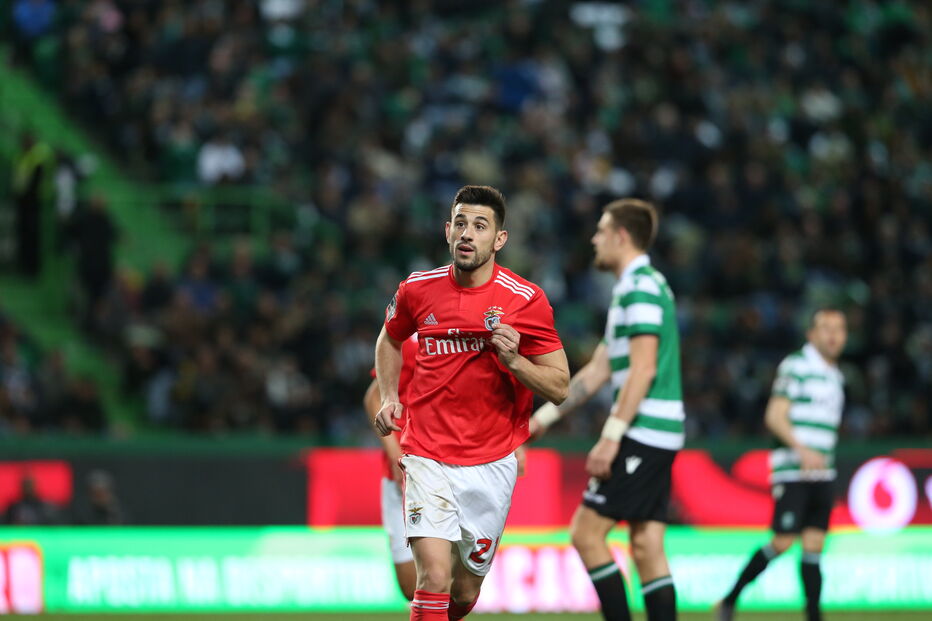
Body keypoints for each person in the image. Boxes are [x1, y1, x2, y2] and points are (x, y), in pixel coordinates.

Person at [373, 185, 569, 620]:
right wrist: (390, 396)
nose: (467, 233)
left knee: (463, 591)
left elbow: (559, 386)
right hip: (426, 454)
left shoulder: (525, 301)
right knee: (433, 580)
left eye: (480, 226)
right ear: (447, 231)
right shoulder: (417, 290)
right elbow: (389, 338)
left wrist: (515, 361)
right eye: (460, 223)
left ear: (499, 239)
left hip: (492, 461)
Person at [529, 198, 682, 621]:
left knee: (586, 533)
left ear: (621, 236)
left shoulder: (640, 288)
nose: (594, 239)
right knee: (647, 547)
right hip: (658, 431)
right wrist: (543, 418)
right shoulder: (637, 288)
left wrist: (611, 436)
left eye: (601, 230)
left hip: (643, 431)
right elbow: (599, 370)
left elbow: (644, 368)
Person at [716, 309, 847, 621]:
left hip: (823, 472)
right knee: (783, 541)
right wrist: (802, 450)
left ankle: (814, 615)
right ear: (811, 334)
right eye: (825, 328)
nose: (832, 334)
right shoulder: (797, 366)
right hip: (794, 469)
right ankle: (729, 600)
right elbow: (774, 416)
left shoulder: (836, 375)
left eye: (839, 329)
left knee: (815, 545)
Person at [363, 334, 420, 601]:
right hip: (400, 476)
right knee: (410, 587)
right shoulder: (409, 340)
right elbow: (373, 397)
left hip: (445, 470)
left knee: (448, 581)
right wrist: (393, 451)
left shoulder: (464, 335)